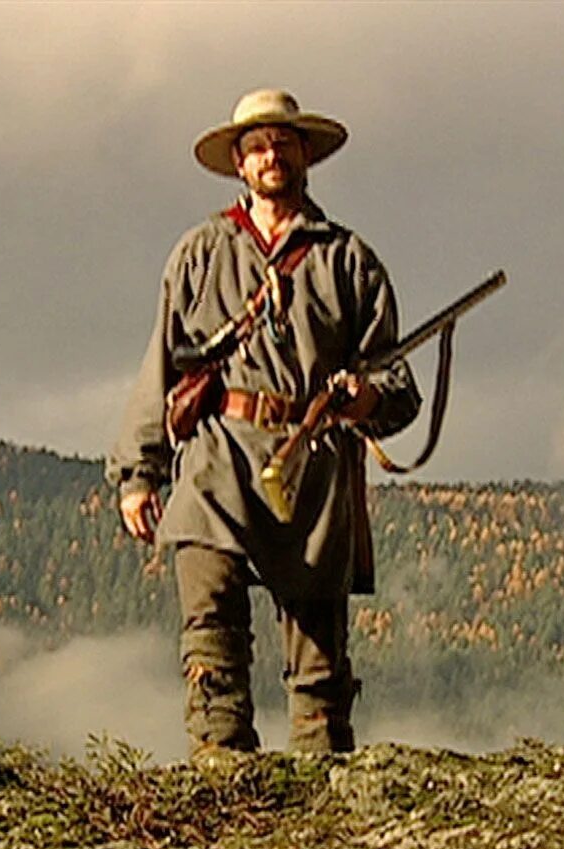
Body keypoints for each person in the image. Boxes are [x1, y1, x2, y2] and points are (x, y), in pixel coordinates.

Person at [106, 88, 420, 757]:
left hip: (314, 465)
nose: (270, 155)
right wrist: (139, 473)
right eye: (256, 146)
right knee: (210, 628)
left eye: (283, 143)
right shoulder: (199, 252)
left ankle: (320, 793)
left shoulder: (349, 261)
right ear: (239, 165)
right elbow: (160, 362)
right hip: (218, 456)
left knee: (319, 662)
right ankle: (222, 776)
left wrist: (362, 398)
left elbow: (398, 387)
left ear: (305, 154)